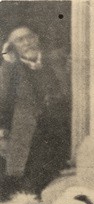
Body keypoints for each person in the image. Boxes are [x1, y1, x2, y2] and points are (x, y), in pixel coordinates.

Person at [0, 26, 71, 193]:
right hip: (28, 136)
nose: (27, 43)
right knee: (30, 184)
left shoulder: (56, 60)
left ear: (37, 38)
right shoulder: (10, 70)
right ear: (12, 47)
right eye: (20, 40)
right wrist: (6, 62)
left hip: (61, 133)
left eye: (30, 37)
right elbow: (2, 99)